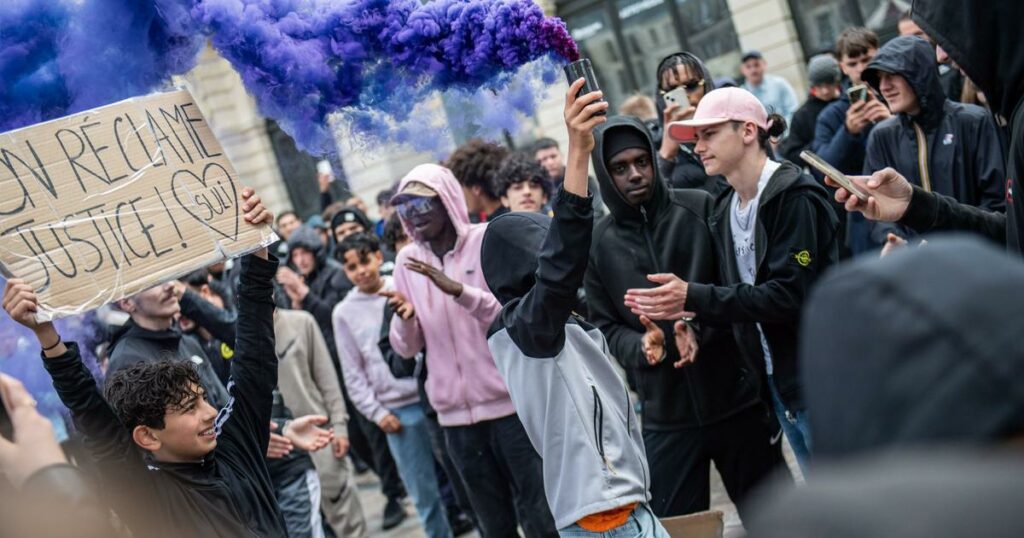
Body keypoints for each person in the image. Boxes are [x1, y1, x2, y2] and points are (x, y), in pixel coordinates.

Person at [1, 190, 317, 536]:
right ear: (147, 436)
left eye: (203, 399)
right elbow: (95, 419)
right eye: (189, 407)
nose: (211, 413)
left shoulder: (237, 449)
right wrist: (45, 332)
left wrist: (257, 247)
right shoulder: (148, 498)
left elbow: (255, 358)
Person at [480, 77, 670, 536]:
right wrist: (579, 150)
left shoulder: (549, 322)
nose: (556, 251)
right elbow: (562, 264)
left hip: (619, 508)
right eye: (542, 245)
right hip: (606, 518)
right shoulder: (526, 325)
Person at [583, 110, 786, 518]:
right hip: (665, 416)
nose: (635, 174)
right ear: (605, 177)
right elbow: (602, 327)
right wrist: (643, 346)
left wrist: (695, 324)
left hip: (737, 402)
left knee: (781, 523)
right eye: (620, 168)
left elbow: (736, 291)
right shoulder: (597, 244)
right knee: (677, 529)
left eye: (642, 162)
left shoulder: (701, 208)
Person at [629, 88, 841, 470]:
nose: (699, 146)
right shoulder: (725, 206)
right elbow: (736, 293)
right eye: (696, 138)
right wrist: (692, 322)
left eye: (709, 134)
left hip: (822, 376)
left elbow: (788, 295)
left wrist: (692, 297)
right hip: (777, 383)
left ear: (747, 131)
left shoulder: (794, 197)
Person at [387, 164, 558, 537]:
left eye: (421, 203)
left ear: (447, 199)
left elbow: (513, 316)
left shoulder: (486, 241)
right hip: (455, 422)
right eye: (405, 207)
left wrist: (458, 292)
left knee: (541, 517)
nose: (413, 215)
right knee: (492, 525)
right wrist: (403, 320)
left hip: (510, 408)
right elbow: (406, 348)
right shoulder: (406, 262)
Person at [278, 224, 408, 529]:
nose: (300, 259)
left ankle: (393, 492)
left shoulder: (336, 276)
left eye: (304, 252)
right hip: (336, 372)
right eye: (295, 254)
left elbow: (335, 316)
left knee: (373, 439)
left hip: (359, 369)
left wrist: (306, 297)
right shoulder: (298, 282)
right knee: (364, 440)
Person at [334, 233, 453, 538]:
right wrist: (376, 413)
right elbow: (353, 372)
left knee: (461, 479)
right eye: (351, 267)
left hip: (434, 397)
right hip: (397, 412)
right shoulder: (344, 313)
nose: (360, 271)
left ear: (377, 256)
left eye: (364, 260)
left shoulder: (401, 288)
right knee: (423, 493)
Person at [858, 35, 1006, 249]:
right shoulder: (881, 136)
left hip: (977, 262)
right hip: (916, 269)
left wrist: (952, 240)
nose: (884, 86)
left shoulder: (973, 121)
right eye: (879, 79)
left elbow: (997, 203)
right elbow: (877, 207)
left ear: (919, 73)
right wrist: (892, 238)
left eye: (891, 75)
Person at [275, 307, 368, 538]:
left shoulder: (301, 322)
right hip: (281, 450)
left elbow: (327, 379)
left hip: (320, 436)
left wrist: (339, 426)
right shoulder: (238, 336)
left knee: (347, 518)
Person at [810, 27, 891, 254]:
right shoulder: (831, 115)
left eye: (867, 59)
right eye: (853, 63)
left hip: (908, 203)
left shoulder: (898, 95)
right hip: (862, 218)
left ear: (878, 53)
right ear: (842, 66)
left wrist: (892, 122)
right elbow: (822, 170)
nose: (861, 69)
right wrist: (848, 132)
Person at [108, 281, 229, 409]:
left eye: (168, 277)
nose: (170, 285)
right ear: (127, 303)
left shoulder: (188, 343)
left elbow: (224, 404)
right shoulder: (127, 361)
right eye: (154, 282)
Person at [655, 52, 729, 194]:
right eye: (672, 90)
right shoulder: (654, 143)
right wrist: (666, 155)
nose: (684, 95)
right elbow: (652, 205)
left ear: (706, 85)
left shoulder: (733, 124)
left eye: (691, 85)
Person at [778, 54, 842, 164]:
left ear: (836, 82)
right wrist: (820, 145)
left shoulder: (848, 101)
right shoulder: (802, 116)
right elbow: (792, 155)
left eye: (829, 84)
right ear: (813, 85)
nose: (825, 91)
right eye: (819, 85)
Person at [532, 137, 607, 215]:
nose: (550, 162)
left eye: (553, 156)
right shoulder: (536, 188)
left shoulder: (584, 180)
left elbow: (597, 214)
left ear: (561, 156)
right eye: (544, 159)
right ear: (537, 163)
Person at [446, 138, 509, 222]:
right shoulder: (514, 214)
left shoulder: (497, 227)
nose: (460, 195)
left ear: (476, 189)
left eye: (461, 187)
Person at [740, 51, 798, 126]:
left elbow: (792, 111)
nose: (753, 70)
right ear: (742, 70)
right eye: (748, 66)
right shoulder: (741, 94)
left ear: (764, 64)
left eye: (756, 65)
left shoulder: (780, 84)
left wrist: (781, 133)